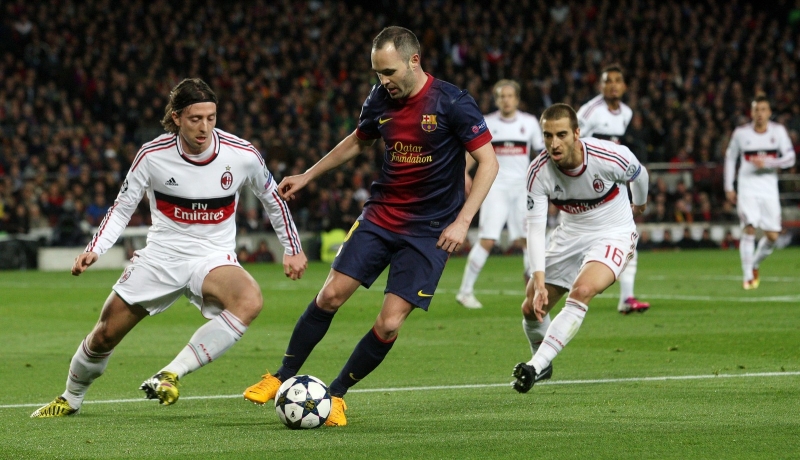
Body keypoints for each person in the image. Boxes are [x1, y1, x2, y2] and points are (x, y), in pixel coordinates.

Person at [242, 26, 498, 426]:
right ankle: (281, 376)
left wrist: (464, 221)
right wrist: (309, 175)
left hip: (429, 231)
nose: (384, 80)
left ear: (414, 61)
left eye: (390, 71)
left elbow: (489, 162)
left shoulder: (453, 102)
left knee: (390, 323)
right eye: (378, 72)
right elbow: (358, 140)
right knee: (329, 296)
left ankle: (336, 396)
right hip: (380, 216)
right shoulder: (379, 98)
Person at [31, 78, 308, 418]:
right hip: (161, 257)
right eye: (195, 119)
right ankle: (70, 398)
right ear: (176, 117)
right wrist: (95, 248)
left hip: (212, 256)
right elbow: (122, 207)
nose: (204, 127)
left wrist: (292, 247)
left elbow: (273, 199)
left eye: (211, 118)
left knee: (249, 300)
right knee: (104, 335)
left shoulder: (242, 155)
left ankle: (171, 373)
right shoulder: (152, 155)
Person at [511, 103, 648, 392]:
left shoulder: (608, 156)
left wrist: (640, 202)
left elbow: (640, 174)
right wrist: (538, 280)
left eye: (561, 135)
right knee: (531, 308)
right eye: (548, 135)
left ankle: (536, 365)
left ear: (576, 133)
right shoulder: (538, 172)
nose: (554, 143)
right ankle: (543, 362)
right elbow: (535, 229)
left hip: (613, 231)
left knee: (583, 290)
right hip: (570, 233)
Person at [455, 79, 544, 309]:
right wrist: (464, 171)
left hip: (522, 188)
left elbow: (541, 153)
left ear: (517, 98)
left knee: (527, 239)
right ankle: (465, 291)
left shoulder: (529, 122)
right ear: (496, 100)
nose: (506, 100)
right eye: (502, 96)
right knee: (488, 239)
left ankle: (532, 289)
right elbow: (474, 151)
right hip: (495, 187)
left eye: (510, 96)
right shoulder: (488, 122)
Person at [576, 64, 649, 315]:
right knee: (582, 240)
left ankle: (627, 297)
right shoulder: (589, 111)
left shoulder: (626, 113)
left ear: (624, 86)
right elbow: (573, 142)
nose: (613, 85)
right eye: (608, 81)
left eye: (618, 80)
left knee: (628, 236)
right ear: (601, 86)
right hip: (590, 184)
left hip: (614, 184)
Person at [724, 95, 796, 289]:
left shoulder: (778, 132)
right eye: (756, 109)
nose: (760, 113)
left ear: (769, 112)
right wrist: (729, 186)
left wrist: (768, 163)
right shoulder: (741, 133)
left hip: (769, 188)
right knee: (749, 226)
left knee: (773, 236)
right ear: (751, 112)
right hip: (747, 186)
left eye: (764, 109)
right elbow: (730, 158)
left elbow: (790, 158)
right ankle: (748, 276)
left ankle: (754, 264)